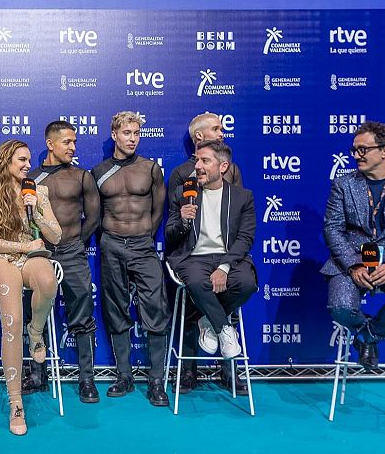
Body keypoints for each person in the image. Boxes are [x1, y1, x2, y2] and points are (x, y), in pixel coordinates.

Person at [322, 121, 385, 370]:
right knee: (339, 307)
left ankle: (367, 336)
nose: (356, 155)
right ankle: (366, 333)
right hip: (353, 258)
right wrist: (353, 266)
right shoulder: (343, 184)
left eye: (363, 150)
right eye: (354, 150)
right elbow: (332, 229)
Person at [0, 139, 62, 435]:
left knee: (48, 282)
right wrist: (21, 246)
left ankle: (36, 331)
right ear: (5, 161)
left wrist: (35, 211)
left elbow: (56, 236)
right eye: (21, 160)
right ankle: (16, 403)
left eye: (28, 160)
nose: (27, 165)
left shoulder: (38, 191)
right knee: (11, 320)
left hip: (31, 257)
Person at [90, 111, 169, 407]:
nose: (132, 138)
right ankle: (124, 375)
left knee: (155, 308)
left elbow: (159, 211)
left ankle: (157, 380)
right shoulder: (98, 172)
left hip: (143, 246)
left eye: (136, 133)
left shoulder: (150, 169)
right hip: (111, 245)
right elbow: (95, 214)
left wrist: (145, 236)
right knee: (115, 308)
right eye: (127, 133)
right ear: (114, 134)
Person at [165, 141, 257, 383]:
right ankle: (224, 327)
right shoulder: (184, 193)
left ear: (223, 166)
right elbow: (170, 235)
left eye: (205, 161)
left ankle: (207, 318)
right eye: (197, 161)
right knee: (196, 281)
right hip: (192, 257)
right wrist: (183, 222)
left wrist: (224, 267)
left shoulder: (242, 197)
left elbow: (246, 238)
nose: (197, 167)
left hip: (228, 259)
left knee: (247, 283)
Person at [23, 121, 100, 403]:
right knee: (34, 316)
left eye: (75, 142)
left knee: (82, 312)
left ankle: (87, 379)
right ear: (50, 144)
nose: (73, 147)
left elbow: (93, 218)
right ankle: (37, 376)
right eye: (67, 142)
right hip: (37, 255)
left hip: (72, 252)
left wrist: (77, 243)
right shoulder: (28, 179)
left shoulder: (81, 176)